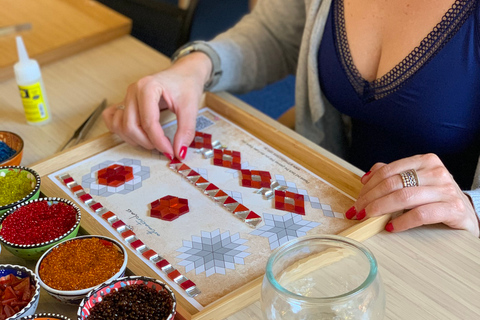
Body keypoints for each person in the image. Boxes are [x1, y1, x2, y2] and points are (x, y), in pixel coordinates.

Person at [102, 0, 480, 238]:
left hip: (436, 239)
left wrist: (470, 205)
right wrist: (196, 66)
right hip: (333, 199)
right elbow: (274, 35)